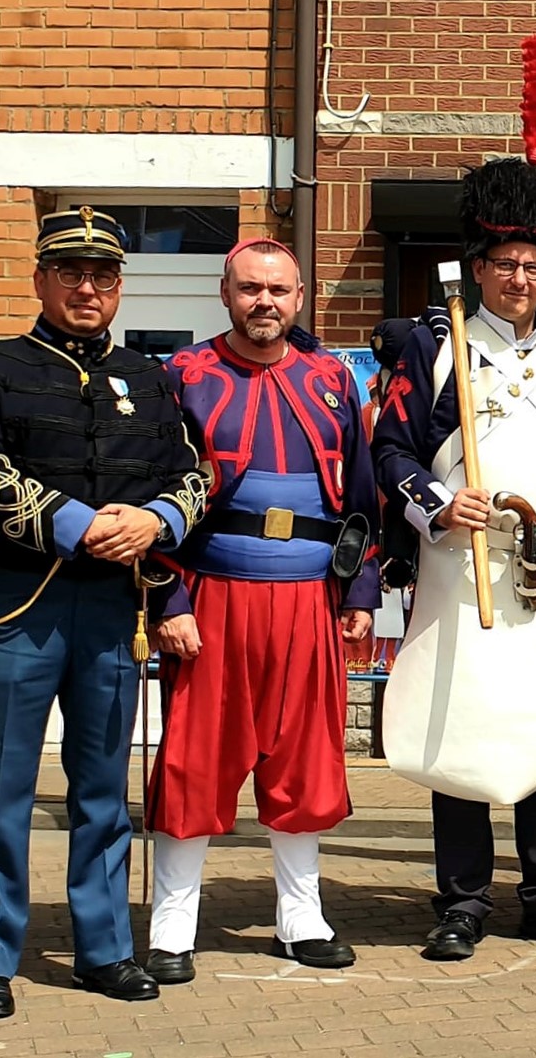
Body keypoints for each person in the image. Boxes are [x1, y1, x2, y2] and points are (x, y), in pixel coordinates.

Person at [372, 34, 536, 963]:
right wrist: (438, 501)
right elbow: (388, 446)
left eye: (533, 265)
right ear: (478, 267)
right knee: (468, 724)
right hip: (458, 557)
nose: (519, 278)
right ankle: (463, 897)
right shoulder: (430, 347)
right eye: (505, 263)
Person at [0, 207, 210, 1018]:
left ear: (120, 287)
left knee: (101, 785)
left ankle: (103, 947)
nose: (87, 288)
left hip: (112, 610)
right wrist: (76, 520)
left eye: (101, 275)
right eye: (70, 273)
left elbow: (194, 473)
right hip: (16, 603)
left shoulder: (152, 376)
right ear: (40, 280)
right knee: (0, 785)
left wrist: (158, 520)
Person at [141, 238, 377, 984]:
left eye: (278, 289)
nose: (264, 302)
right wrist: (167, 598)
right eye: (250, 288)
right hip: (212, 598)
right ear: (225, 293)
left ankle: (300, 915)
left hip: (310, 598)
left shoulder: (332, 378)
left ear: (300, 297)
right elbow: (151, 495)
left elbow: (363, 499)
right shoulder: (182, 377)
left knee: (306, 759)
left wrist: (360, 593)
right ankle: (172, 920)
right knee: (194, 761)